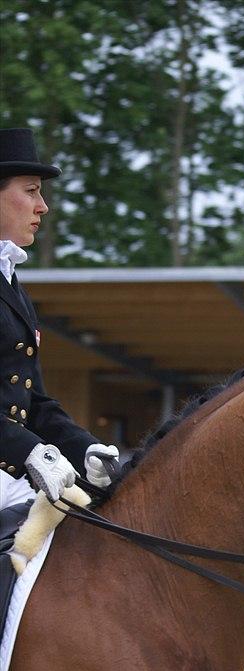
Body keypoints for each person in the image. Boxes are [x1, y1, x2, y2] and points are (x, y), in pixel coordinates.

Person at [0, 128, 118, 510]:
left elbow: (31, 401)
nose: (43, 206)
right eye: (31, 191)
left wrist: (85, 448)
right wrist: (30, 450)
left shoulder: (12, 284)